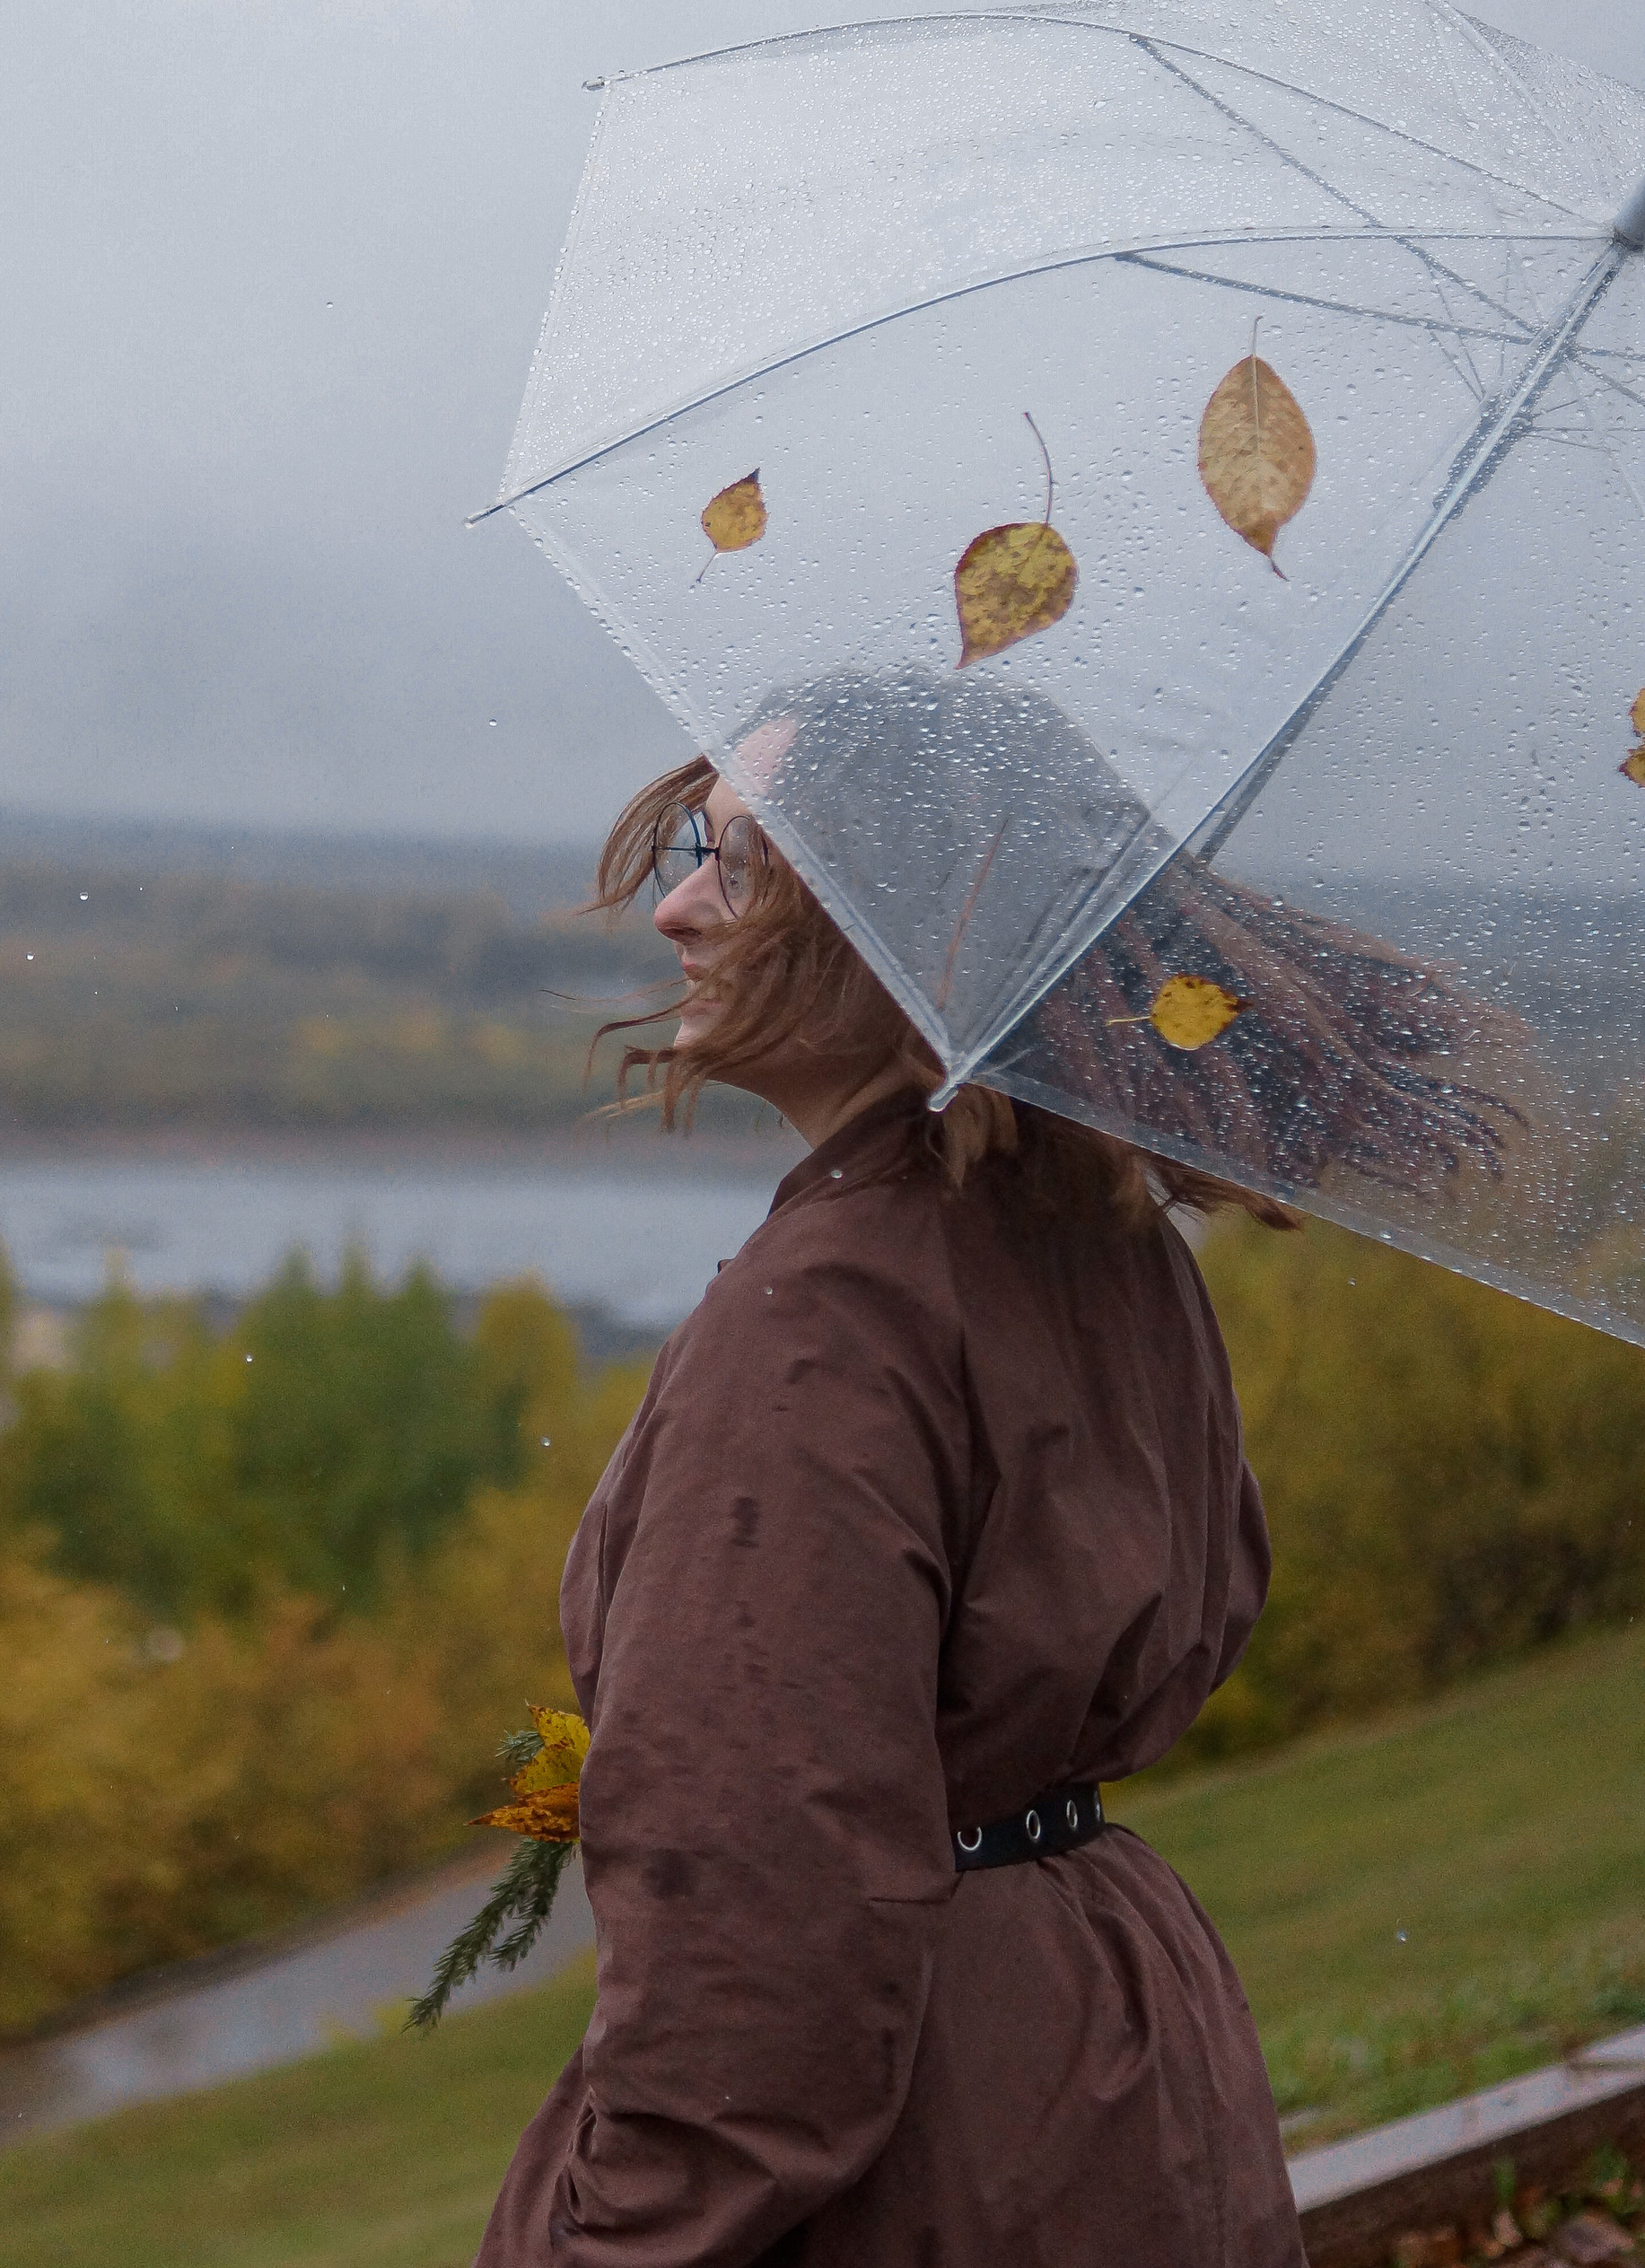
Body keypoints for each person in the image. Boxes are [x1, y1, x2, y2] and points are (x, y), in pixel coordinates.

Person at [471, 731, 1322, 2266]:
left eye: (740, 861)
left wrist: (611, 2241)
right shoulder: (1100, 1243)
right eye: (696, 854)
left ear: (901, 923)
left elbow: (753, 1937)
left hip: (932, 2153)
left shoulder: (824, 1323)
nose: (676, 912)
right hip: (1121, 2063)